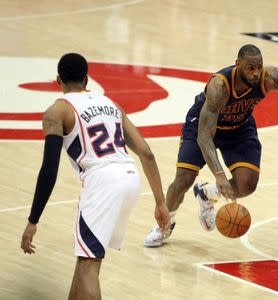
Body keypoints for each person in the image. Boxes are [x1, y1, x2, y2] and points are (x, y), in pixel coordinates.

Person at [144, 44, 278, 247]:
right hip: (203, 127)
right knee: (183, 180)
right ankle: (163, 226)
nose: (256, 72)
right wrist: (220, 175)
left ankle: (207, 193)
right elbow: (204, 136)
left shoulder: (269, 78)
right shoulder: (219, 87)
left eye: (259, 66)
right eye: (250, 68)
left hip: (239, 127)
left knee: (247, 184)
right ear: (237, 64)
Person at [20, 53, 170, 299]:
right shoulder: (111, 105)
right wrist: (161, 202)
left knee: (89, 266)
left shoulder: (56, 112)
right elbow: (147, 154)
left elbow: (49, 170)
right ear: (87, 79)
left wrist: (33, 220)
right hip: (130, 177)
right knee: (85, 260)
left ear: (58, 80)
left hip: (102, 182)